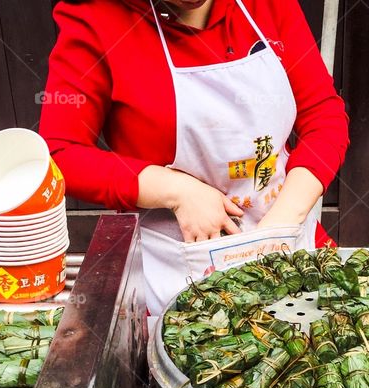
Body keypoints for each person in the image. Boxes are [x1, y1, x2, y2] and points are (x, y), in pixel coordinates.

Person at [40, 0, 349, 313]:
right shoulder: (96, 17)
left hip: (290, 242)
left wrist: (282, 222)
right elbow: (61, 152)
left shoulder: (268, 5)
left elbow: (323, 115)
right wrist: (176, 191)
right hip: (176, 270)